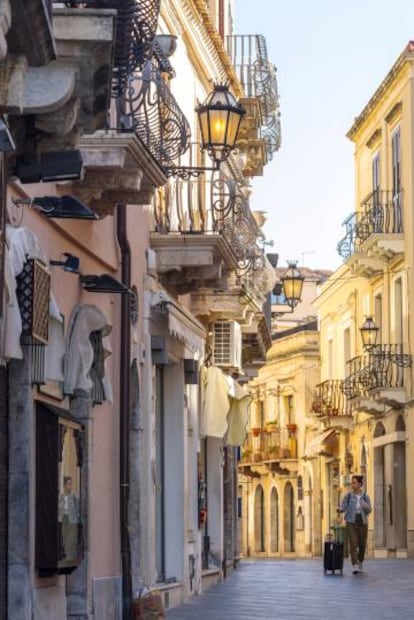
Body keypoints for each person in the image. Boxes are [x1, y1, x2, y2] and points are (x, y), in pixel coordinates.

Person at [337, 475, 371, 574]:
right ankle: (355, 565)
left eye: (354, 482)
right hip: (351, 522)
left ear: (360, 484)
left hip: (362, 522)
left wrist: (363, 504)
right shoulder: (348, 496)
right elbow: (343, 507)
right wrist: (340, 509)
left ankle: (360, 561)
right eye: (352, 483)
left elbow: (369, 510)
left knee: (362, 545)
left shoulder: (365, 496)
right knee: (353, 544)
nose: (352, 485)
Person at [58, 476, 80, 563]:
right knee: (64, 539)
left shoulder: (74, 496)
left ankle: (70, 559)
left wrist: (77, 520)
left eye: (71, 484)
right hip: (64, 519)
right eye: (69, 484)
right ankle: (67, 557)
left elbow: (78, 509)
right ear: (64, 485)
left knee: (71, 540)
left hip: (72, 520)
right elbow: (59, 508)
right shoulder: (61, 496)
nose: (70, 486)